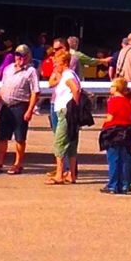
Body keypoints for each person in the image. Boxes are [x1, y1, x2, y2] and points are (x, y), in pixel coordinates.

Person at [0, 45, 39, 175]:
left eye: (23, 55)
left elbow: (35, 92)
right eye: (17, 55)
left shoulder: (31, 71)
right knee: (2, 136)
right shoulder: (8, 69)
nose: (19, 58)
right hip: (5, 106)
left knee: (20, 137)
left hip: (20, 106)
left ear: (28, 56)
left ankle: (18, 164)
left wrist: (30, 110)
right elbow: (3, 86)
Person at [46, 56, 83, 185]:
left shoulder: (67, 75)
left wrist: (73, 105)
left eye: (57, 63)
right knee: (72, 144)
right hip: (70, 113)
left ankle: (59, 175)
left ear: (65, 63)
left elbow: (76, 89)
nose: (55, 65)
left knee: (59, 143)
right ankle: (71, 175)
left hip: (65, 112)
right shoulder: (68, 74)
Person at [99, 77, 131, 192]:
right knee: (125, 158)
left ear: (116, 88)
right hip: (127, 130)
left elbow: (110, 117)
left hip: (114, 131)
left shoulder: (113, 101)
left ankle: (113, 184)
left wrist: (103, 124)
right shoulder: (127, 101)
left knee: (114, 159)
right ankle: (125, 184)